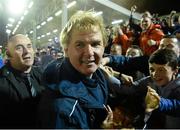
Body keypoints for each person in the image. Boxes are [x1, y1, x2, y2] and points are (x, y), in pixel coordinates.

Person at [38, 10, 114, 129]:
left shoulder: (97, 74)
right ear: (66, 50)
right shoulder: (62, 109)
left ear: (104, 47)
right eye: (80, 45)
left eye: (95, 44)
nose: (89, 53)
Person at [0, 34, 44, 128]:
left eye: (29, 46)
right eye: (19, 48)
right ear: (8, 54)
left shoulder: (42, 74)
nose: (26, 51)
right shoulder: (2, 82)